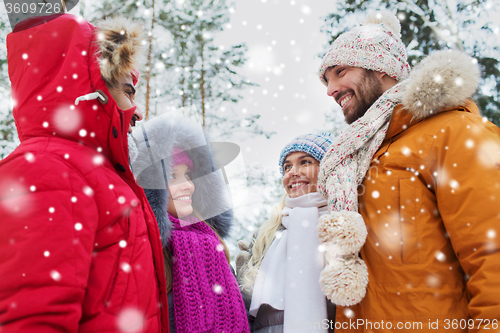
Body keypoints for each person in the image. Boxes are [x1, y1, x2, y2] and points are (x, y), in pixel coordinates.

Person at [316, 10, 500, 332]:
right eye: (326, 80)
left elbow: (492, 255)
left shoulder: (455, 132)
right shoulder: (355, 161)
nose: (330, 89)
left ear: (383, 69)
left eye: (340, 71)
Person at [0, 13, 168, 332]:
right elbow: (32, 318)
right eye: (128, 90)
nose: (138, 110)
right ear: (94, 84)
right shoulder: (48, 169)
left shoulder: (94, 173)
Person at [131, 114, 250, 333]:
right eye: (173, 176)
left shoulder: (213, 245)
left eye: (188, 176)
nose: (187, 186)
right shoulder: (143, 252)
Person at [237, 133, 336, 332]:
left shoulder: (345, 229)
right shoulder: (265, 236)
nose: (293, 172)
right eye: (287, 167)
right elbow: (246, 312)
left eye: (305, 162)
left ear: (328, 169)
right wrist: (239, 280)